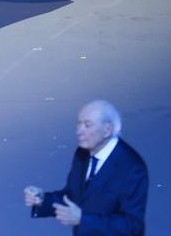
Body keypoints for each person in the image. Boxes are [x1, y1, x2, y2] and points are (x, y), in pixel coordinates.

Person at [24, 100, 148, 235]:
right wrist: (42, 200)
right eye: (78, 124)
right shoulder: (82, 153)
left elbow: (132, 226)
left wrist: (82, 219)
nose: (78, 131)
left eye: (87, 125)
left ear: (107, 130)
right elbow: (73, 196)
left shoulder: (132, 168)